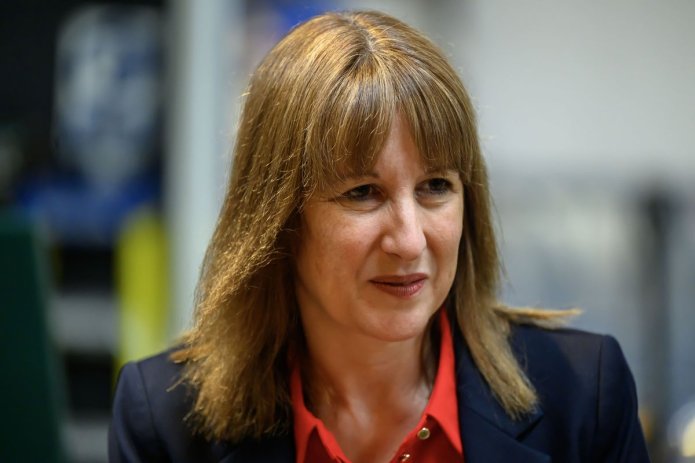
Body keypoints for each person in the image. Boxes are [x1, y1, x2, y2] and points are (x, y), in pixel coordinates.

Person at [109, 10, 650, 463]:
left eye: (435, 186)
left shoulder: (585, 396)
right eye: (363, 193)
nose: (410, 241)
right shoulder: (164, 422)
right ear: (278, 221)